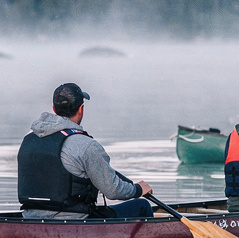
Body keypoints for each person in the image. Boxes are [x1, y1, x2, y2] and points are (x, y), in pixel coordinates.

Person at [18, 82, 155, 220]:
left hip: (30, 217)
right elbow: (113, 190)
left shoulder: (28, 138)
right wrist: (138, 190)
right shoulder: (85, 145)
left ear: (54, 109)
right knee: (142, 206)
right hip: (76, 219)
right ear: (81, 109)